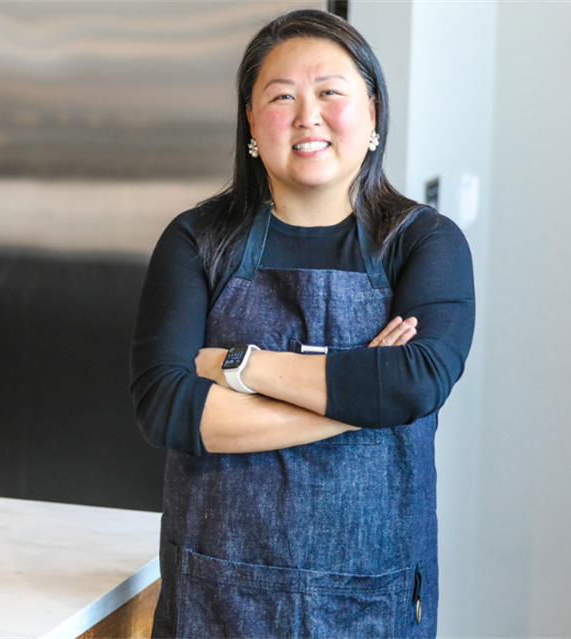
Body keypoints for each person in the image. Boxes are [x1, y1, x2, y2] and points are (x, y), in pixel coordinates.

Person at [130, 9, 475, 638]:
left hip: (372, 599)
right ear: (251, 123)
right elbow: (166, 407)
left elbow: (417, 383)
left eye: (330, 93)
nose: (307, 115)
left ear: (372, 112)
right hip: (215, 595)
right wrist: (364, 398)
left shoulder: (425, 243)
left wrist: (240, 365)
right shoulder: (196, 240)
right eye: (281, 96)